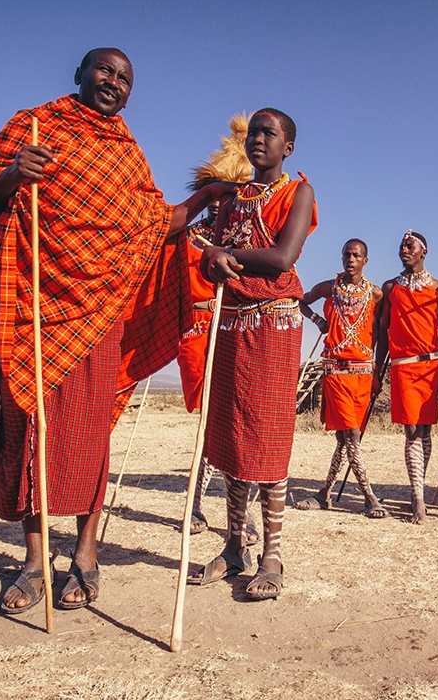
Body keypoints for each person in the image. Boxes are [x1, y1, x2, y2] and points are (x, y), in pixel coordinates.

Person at [0, 48, 228, 614]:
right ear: (79, 74)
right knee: (30, 433)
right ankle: (32, 561)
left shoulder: (126, 155)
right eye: (105, 71)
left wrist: (202, 200)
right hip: (30, 309)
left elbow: (154, 222)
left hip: (99, 315)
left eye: (125, 78)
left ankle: (86, 554)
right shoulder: (35, 125)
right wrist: (9, 177)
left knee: (90, 434)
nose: (114, 82)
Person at [188, 108, 319, 600]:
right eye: (255, 132)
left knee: (265, 435)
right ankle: (234, 545)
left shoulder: (297, 192)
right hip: (231, 321)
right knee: (230, 433)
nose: (259, 139)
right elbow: (208, 244)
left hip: (274, 321)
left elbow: (283, 257)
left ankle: (273, 555)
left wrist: (224, 256)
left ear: (288, 146)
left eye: (271, 133)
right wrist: (208, 251)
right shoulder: (231, 198)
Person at [178, 115, 257, 543]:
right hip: (197, 332)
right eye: (218, 196)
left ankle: (238, 518)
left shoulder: (247, 241)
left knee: (237, 420)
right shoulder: (188, 240)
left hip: (238, 331)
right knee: (212, 421)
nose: (221, 204)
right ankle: (194, 503)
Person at [296, 239, 388, 518]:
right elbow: (300, 300)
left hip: (363, 373)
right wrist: (316, 320)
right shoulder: (329, 288)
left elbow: (380, 334)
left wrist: (376, 373)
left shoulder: (375, 295)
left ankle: (324, 494)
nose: (350, 259)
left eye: (356, 255)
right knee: (351, 434)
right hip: (335, 370)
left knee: (344, 438)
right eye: (347, 254)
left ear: (365, 261)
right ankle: (370, 497)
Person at [373, 230, 438, 525]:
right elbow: (382, 333)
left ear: (424, 252)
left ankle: (418, 487)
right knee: (412, 432)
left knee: (427, 430)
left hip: (432, 366)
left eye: (410, 246)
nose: (404, 250)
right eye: (401, 246)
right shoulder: (391, 288)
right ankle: (418, 498)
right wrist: (376, 371)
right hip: (403, 366)